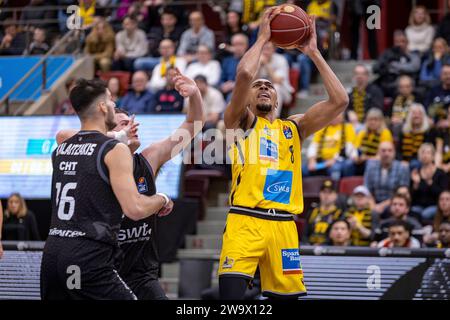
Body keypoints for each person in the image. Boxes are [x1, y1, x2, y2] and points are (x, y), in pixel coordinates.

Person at [218, 9, 349, 299]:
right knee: (230, 300)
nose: (263, 87)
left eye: (269, 86)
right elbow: (243, 74)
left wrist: (314, 53)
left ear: (277, 99)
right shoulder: (239, 122)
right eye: (258, 86)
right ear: (248, 98)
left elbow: (340, 100)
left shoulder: (294, 128)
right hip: (245, 220)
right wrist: (263, 38)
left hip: (284, 227)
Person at [55, 71, 204, 300]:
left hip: (140, 273)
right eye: (124, 123)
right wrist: (117, 137)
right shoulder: (97, 152)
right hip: (102, 266)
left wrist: (194, 95)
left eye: (132, 121)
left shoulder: (149, 158)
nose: (133, 125)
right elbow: (64, 136)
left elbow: (193, 125)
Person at [40, 79, 171, 300]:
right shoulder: (114, 149)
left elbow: (66, 135)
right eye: (110, 99)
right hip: (87, 254)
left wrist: (116, 135)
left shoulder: (63, 148)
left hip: (52, 254)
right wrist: (163, 199)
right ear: (102, 107)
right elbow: (136, 209)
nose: (113, 103)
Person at [304, 112, 356, 181]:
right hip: (321, 161)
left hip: (338, 160)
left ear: (342, 117)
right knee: (303, 169)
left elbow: (349, 148)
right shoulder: (322, 128)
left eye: (337, 114)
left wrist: (333, 160)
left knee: (335, 169)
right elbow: (313, 146)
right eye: (333, 114)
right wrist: (312, 160)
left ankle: (333, 190)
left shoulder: (348, 127)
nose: (335, 117)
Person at [364, 142, 410, 214]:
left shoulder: (402, 168)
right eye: (383, 151)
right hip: (374, 203)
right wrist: (373, 206)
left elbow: (402, 192)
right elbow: (367, 189)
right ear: (378, 153)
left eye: (390, 151)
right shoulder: (371, 167)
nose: (386, 154)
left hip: (392, 203)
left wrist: (382, 206)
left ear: (394, 153)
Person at [373, 30, 421, 98]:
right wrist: (386, 67)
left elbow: (415, 67)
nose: (400, 44)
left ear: (407, 42)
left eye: (402, 41)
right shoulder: (387, 54)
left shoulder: (413, 54)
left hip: (404, 84)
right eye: (397, 42)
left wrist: (394, 65)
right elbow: (375, 68)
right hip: (387, 83)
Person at [411, 143, 448, 221]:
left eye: (428, 153)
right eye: (423, 152)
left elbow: (443, 193)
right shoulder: (416, 172)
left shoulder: (440, 173)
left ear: (433, 156)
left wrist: (430, 183)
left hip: (435, 205)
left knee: (425, 214)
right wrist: (416, 184)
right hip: (419, 205)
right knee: (413, 211)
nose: (425, 155)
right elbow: (412, 197)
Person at [353, 108, 393, 175]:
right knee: (348, 164)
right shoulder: (362, 133)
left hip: (378, 162)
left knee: (370, 163)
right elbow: (355, 149)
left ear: (381, 121)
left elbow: (384, 154)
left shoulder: (385, 133)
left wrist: (366, 158)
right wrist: (357, 158)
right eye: (370, 119)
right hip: (361, 161)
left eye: (375, 120)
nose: (373, 122)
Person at [257, 42, 293, 116]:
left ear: (274, 49)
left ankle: (273, 118)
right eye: (263, 49)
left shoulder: (281, 60)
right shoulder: (258, 60)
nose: (265, 52)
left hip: (284, 91)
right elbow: (252, 81)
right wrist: (258, 66)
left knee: (275, 87)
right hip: (263, 91)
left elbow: (277, 80)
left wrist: (266, 64)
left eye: (268, 49)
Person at [303, 180, 344, 245]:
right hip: (310, 247)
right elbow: (305, 233)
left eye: (330, 192)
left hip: (329, 248)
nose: (326, 195)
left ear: (335, 195)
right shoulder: (313, 211)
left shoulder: (339, 213)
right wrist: (306, 244)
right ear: (320, 194)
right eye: (324, 192)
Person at [397, 103, 433, 168]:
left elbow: (427, 150)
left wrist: (409, 163)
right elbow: (398, 150)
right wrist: (401, 160)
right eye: (414, 113)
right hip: (403, 162)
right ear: (409, 116)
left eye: (419, 113)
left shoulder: (428, 132)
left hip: (420, 162)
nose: (417, 116)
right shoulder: (403, 131)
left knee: (414, 164)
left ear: (423, 116)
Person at [220, 33, 249, 101]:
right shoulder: (227, 61)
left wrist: (234, 85)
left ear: (246, 46)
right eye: (235, 44)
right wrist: (223, 85)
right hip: (228, 92)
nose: (238, 47)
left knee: (232, 96)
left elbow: (252, 80)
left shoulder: (251, 60)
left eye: (241, 44)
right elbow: (221, 79)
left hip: (245, 91)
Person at [390, 75, 419, 140]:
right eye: (401, 87)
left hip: (412, 126)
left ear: (412, 87)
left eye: (407, 86)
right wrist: (391, 119)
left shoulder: (417, 99)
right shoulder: (394, 99)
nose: (404, 89)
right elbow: (388, 115)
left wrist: (403, 120)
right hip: (394, 125)